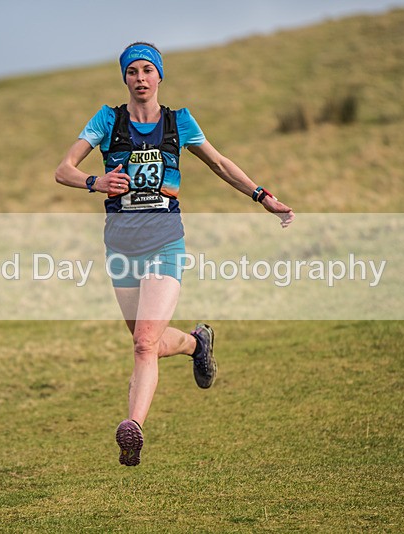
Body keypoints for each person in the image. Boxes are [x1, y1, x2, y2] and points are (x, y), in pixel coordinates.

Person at [55, 42, 294, 466]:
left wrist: (264, 196)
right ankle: (196, 342)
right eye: (133, 72)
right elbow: (64, 170)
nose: (140, 78)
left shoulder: (178, 123)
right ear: (125, 78)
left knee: (144, 345)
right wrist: (95, 182)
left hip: (166, 242)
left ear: (160, 76)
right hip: (120, 245)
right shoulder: (107, 120)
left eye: (148, 70)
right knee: (145, 338)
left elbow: (220, 164)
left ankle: (133, 428)